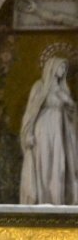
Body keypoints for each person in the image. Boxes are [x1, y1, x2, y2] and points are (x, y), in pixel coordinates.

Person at [19, 48, 78, 205]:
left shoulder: (63, 89)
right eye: (61, 67)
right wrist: (28, 134)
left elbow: (72, 113)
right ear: (52, 67)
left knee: (59, 166)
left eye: (65, 68)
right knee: (44, 166)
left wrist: (68, 103)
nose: (63, 70)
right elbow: (31, 112)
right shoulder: (40, 87)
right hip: (43, 131)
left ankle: (58, 200)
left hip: (60, 133)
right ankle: (44, 201)